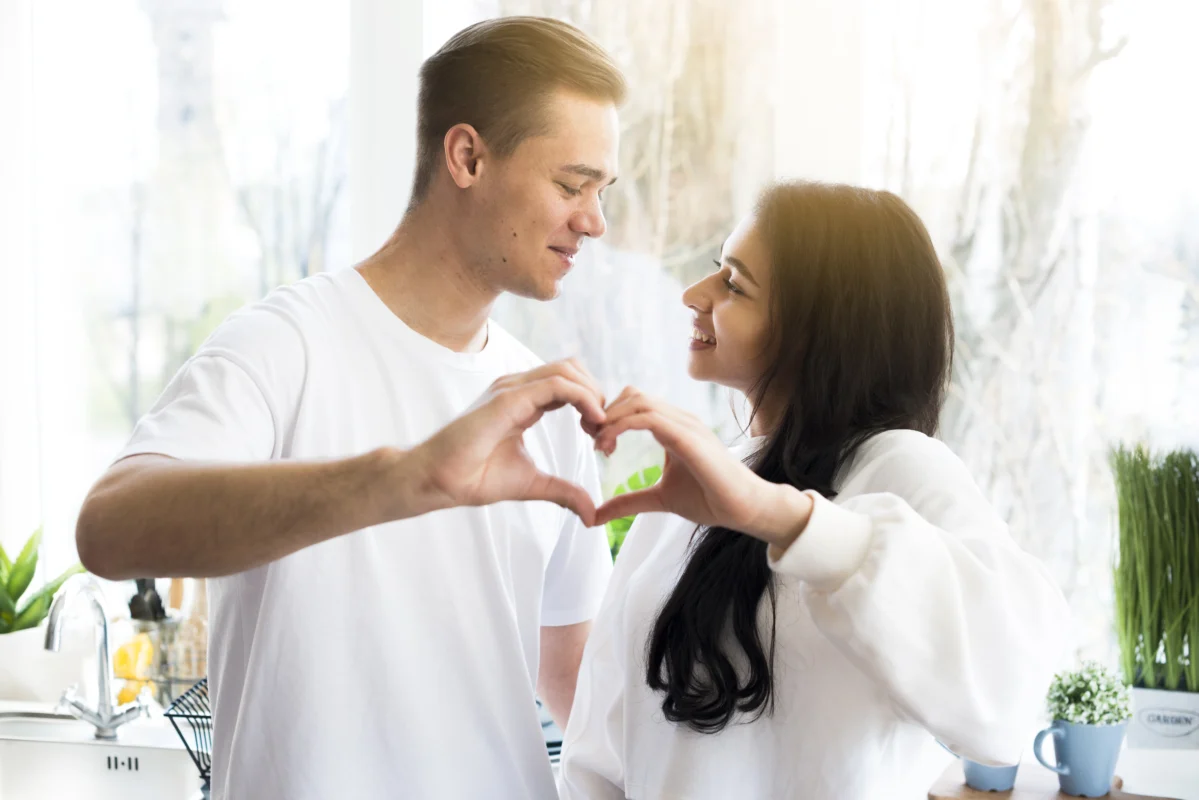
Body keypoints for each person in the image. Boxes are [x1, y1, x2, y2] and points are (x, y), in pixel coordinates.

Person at [75, 17, 625, 800]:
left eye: (602, 192)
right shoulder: (284, 343)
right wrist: (402, 479)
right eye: (571, 186)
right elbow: (109, 528)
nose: (593, 221)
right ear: (467, 156)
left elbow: (573, 678)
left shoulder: (544, 403)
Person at [559, 181, 1071, 800]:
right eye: (715, 270)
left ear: (818, 329)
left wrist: (781, 518)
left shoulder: (904, 468)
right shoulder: (697, 485)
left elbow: (1007, 691)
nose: (695, 295)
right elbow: (600, 747)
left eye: (734, 284)